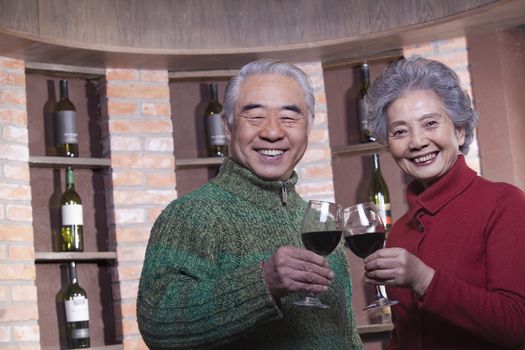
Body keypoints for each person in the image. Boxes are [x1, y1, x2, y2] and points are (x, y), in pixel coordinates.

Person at [137, 59, 363, 349]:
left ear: (308, 127)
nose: (272, 132)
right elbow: (158, 325)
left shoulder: (318, 221)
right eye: (255, 117)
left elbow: (344, 333)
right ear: (228, 126)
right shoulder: (191, 214)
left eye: (289, 117)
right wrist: (264, 282)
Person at [363, 55, 525, 349]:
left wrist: (424, 279)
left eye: (430, 123)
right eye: (400, 131)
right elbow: (405, 333)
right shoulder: (400, 231)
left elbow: (518, 327)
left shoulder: (504, 204)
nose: (416, 142)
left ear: (460, 130)